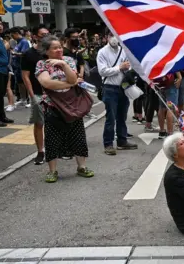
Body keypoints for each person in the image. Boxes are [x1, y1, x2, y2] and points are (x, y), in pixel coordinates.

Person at [35, 35, 94, 183]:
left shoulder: (68, 60)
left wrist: (64, 65)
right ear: (46, 50)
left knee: (78, 137)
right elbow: (47, 83)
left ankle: (82, 167)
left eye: (60, 47)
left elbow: (73, 79)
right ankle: (52, 171)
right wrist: (69, 85)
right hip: (53, 106)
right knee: (52, 139)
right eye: (55, 48)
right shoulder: (41, 64)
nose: (59, 50)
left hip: (72, 105)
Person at [97, 30, 138, 155]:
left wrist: (128, 68)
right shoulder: (102, 52)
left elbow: (130, 66)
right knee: (111, 117)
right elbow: (102, 71)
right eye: (111, 35)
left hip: (123, 88)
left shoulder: (123, 50)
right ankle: (108, 144)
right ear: (106, 37)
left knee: (122, 116)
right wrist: (119, 68)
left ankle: (122, 140)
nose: (114, 38)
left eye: (116, 35)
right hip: (110, 88)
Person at [22, 24, 49, 164]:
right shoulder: (28, 54)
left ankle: (56, 149)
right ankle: (40, 151)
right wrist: (32, 95)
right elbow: (26, 76)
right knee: (39, 123)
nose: (45, 37)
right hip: (38, 93)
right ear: (34, 37)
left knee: (56, 122)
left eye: (47, 34)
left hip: (53, 93)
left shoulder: (51, 51)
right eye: (42, 35)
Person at [0, 17, 14, 126]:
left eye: (0, 24)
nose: (0, 26)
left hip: (3, 70)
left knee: (1, 94)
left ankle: (2, 116)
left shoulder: (0, 39)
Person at [10, 27, 30, 107]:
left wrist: (14, 53)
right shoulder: (17, 42)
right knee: (20, 83)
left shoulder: (24, 42)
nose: (12, 37)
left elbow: (24, 54)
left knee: (25, 83)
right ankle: (23, 99)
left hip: (22, 65)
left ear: (16, 33)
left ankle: (29, 100)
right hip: (17, 66)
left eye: (12, 35)